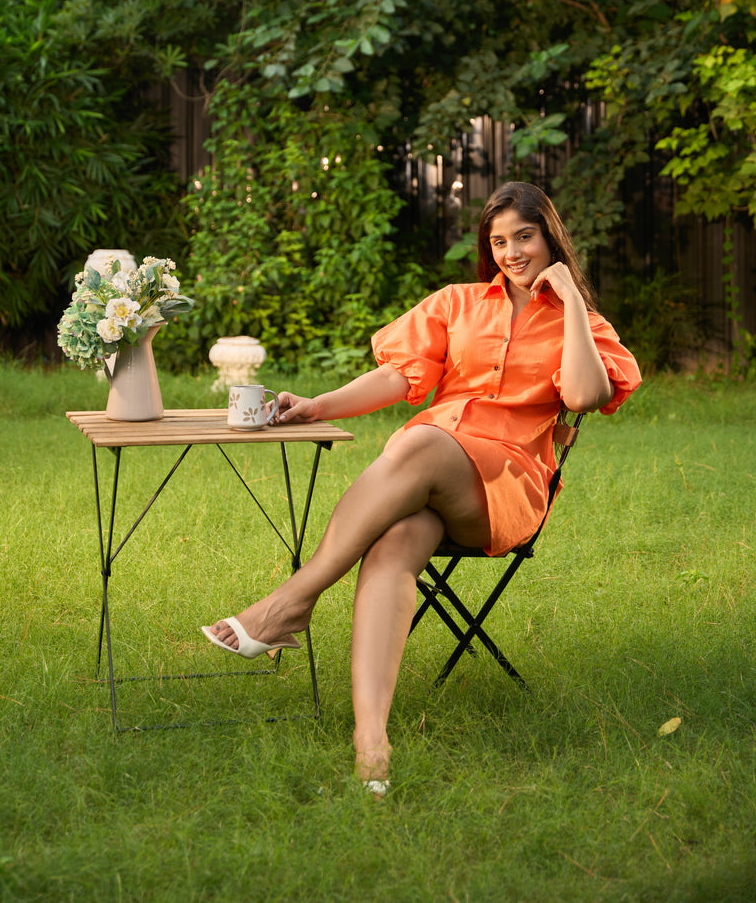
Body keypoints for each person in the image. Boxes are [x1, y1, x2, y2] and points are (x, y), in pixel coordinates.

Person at [203, 181, 641, 794]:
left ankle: (292, 602)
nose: (512, 252)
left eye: (524, 237)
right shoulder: (458, 303)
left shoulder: (584, 323)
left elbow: (586, 396)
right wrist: (317, 405)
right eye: (499, 241)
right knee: (395, 542)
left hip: (506, 487)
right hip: (429, 474)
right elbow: (398, 377)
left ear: (549, 238)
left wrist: (568, 299)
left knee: (421, 441)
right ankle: (371, 744)